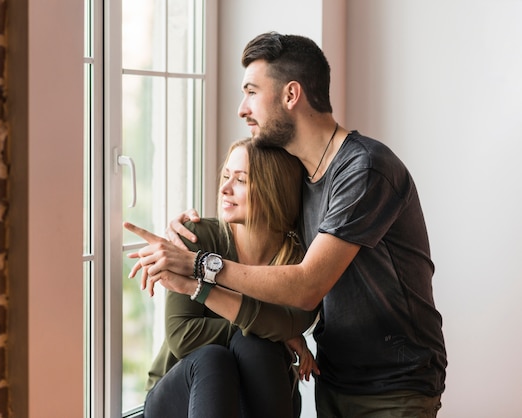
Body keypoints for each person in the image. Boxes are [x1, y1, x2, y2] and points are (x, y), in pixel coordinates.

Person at [126, 31, 447, 417]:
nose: (242, 109)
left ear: (291, 95)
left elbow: (307, 285)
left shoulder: (365, 169)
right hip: (338, 379)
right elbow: (252, 218)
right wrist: (184, 231)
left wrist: (198, 266)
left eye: (251, 92)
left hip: (395, 387)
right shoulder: (303, 180)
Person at [127, 138, 319, 418]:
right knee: (213, 357)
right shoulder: (196, 237)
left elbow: (292, 321)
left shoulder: (300, 262)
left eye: (240, 180)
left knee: (255, 344)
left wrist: (273, 331)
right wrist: (274, 330)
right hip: (182, 397)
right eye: (226, 176)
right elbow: (182, 336)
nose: (224, 189)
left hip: (255, 398)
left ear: (274, 189)